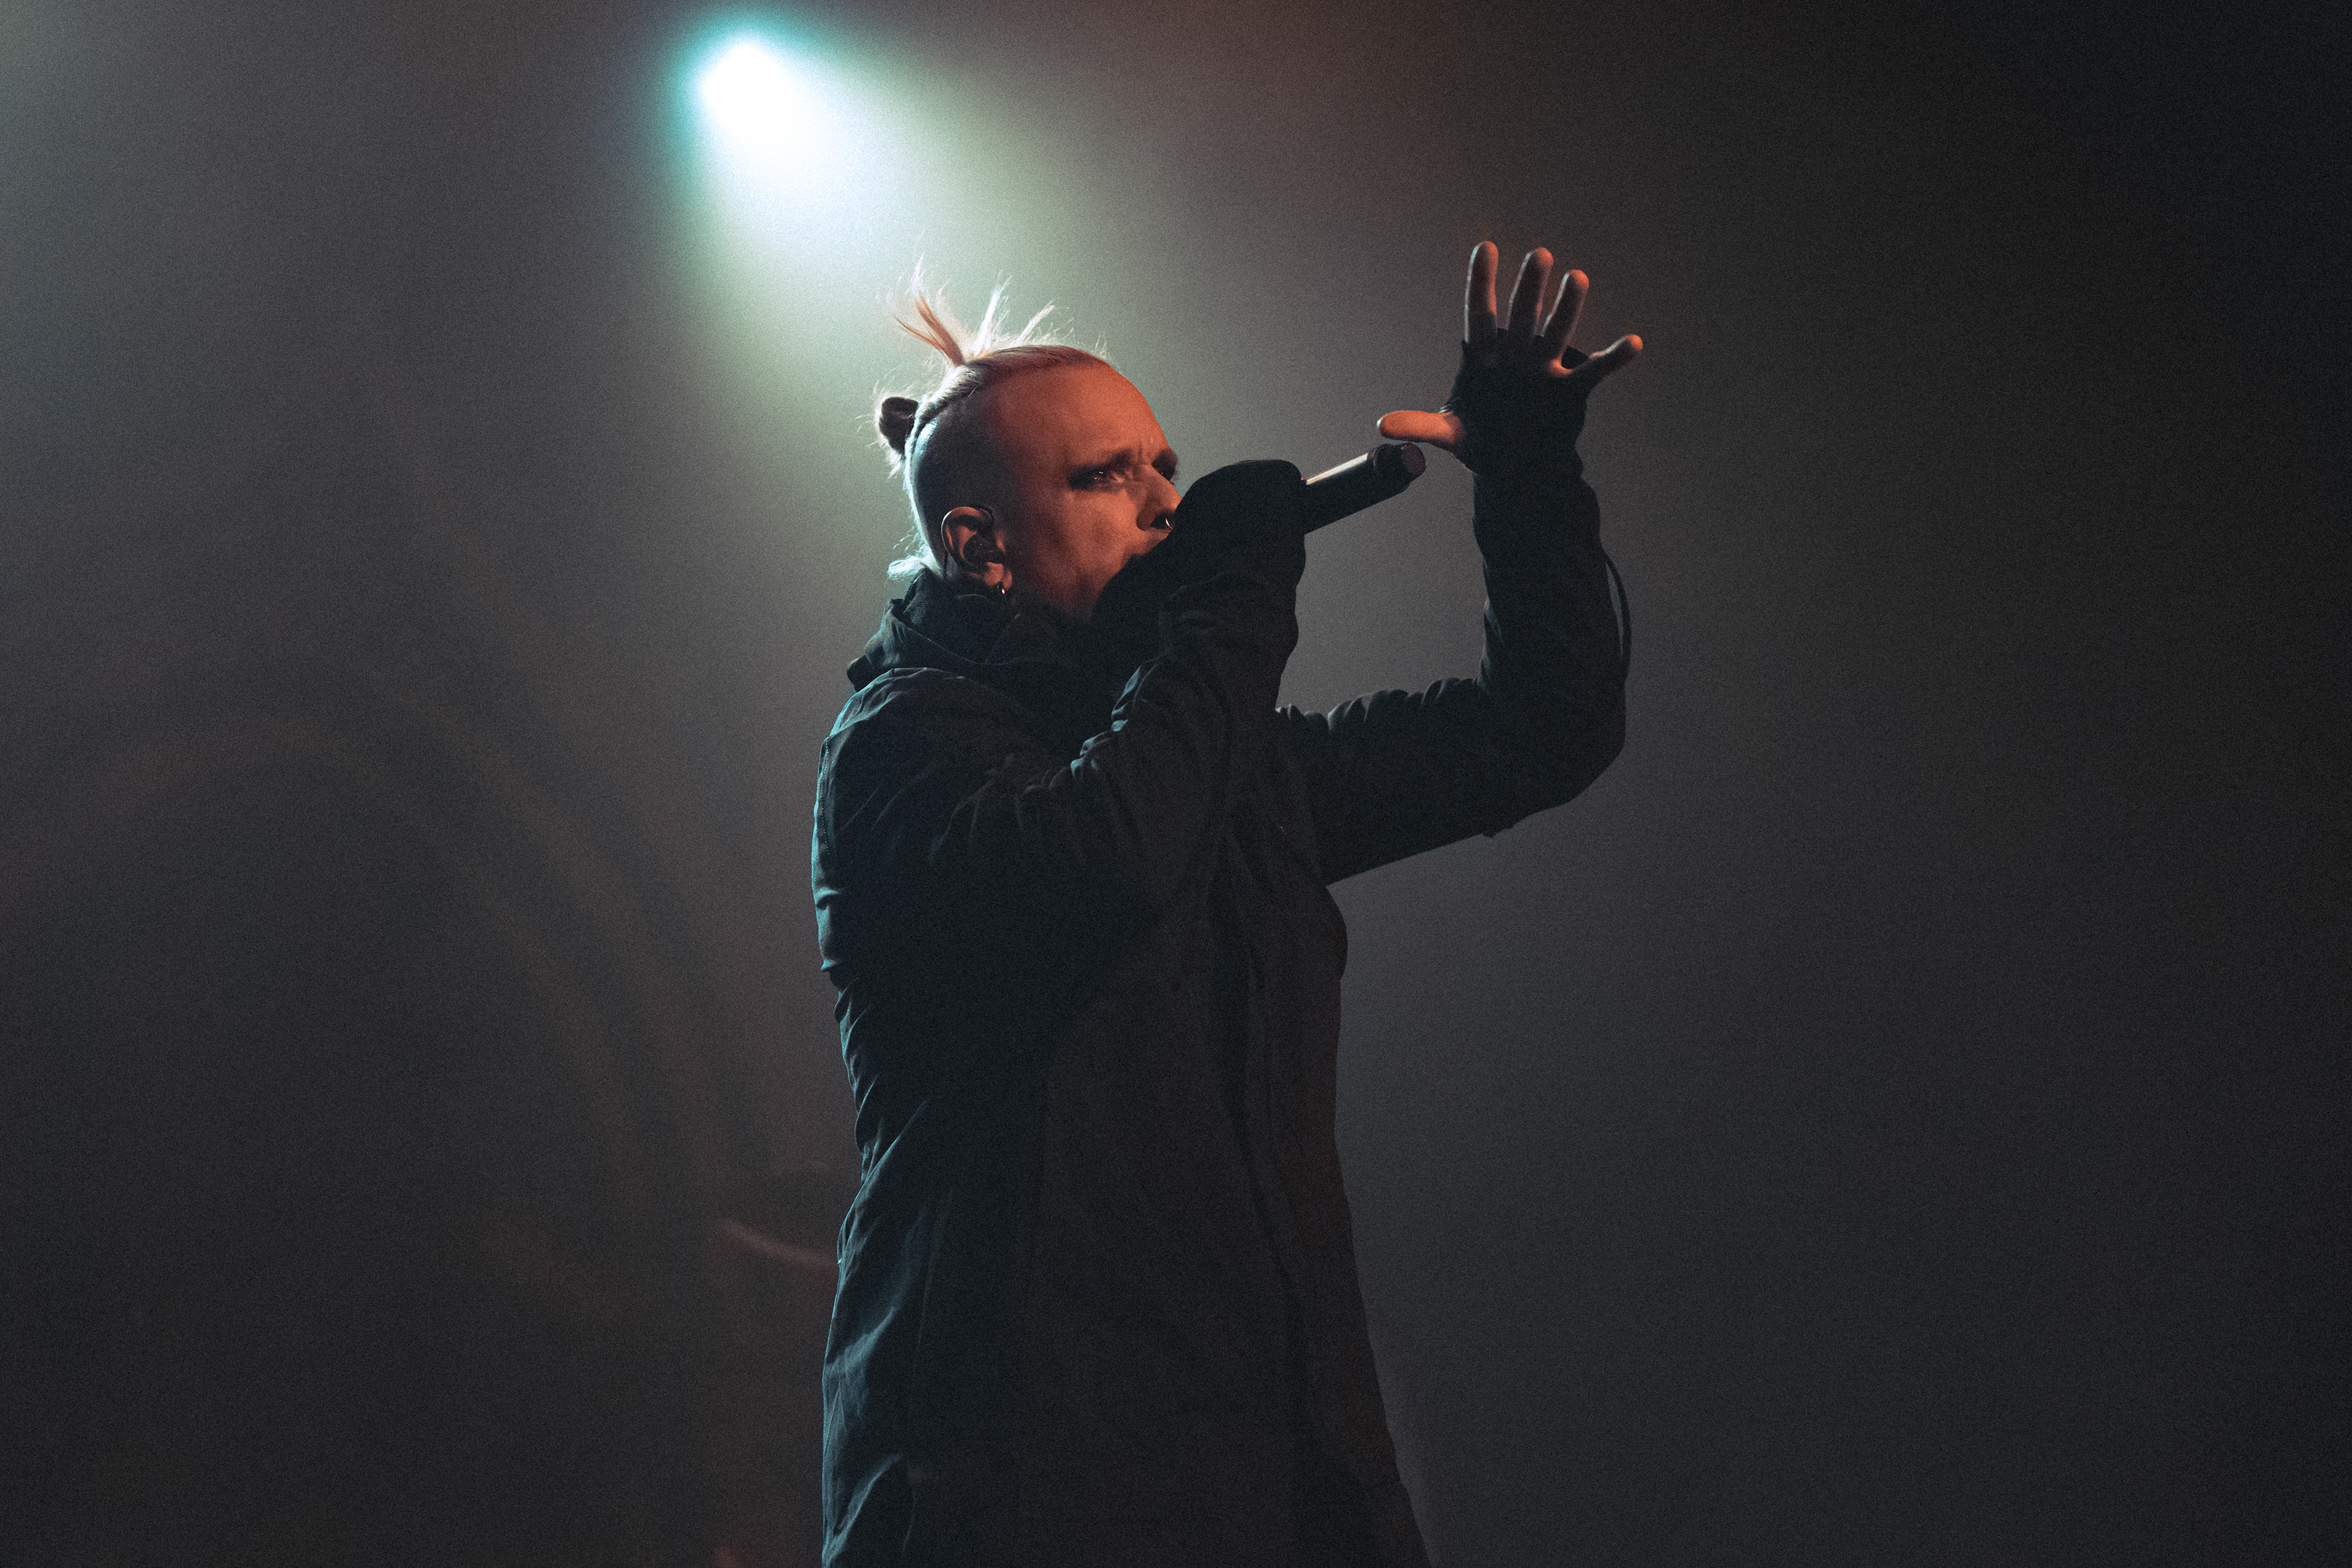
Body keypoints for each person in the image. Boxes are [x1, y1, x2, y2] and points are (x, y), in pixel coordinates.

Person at [810, 243, 1640, 1568]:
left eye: (1166, 467)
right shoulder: (903, 749)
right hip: (1025, 1493)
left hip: (1277, 1480)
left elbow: (1543, 731)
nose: (1165, 505)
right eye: (1106, 477)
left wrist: (1531, 474)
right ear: (980, 545)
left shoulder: (1222, 768)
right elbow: (1108, 857)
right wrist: (1233, 598)